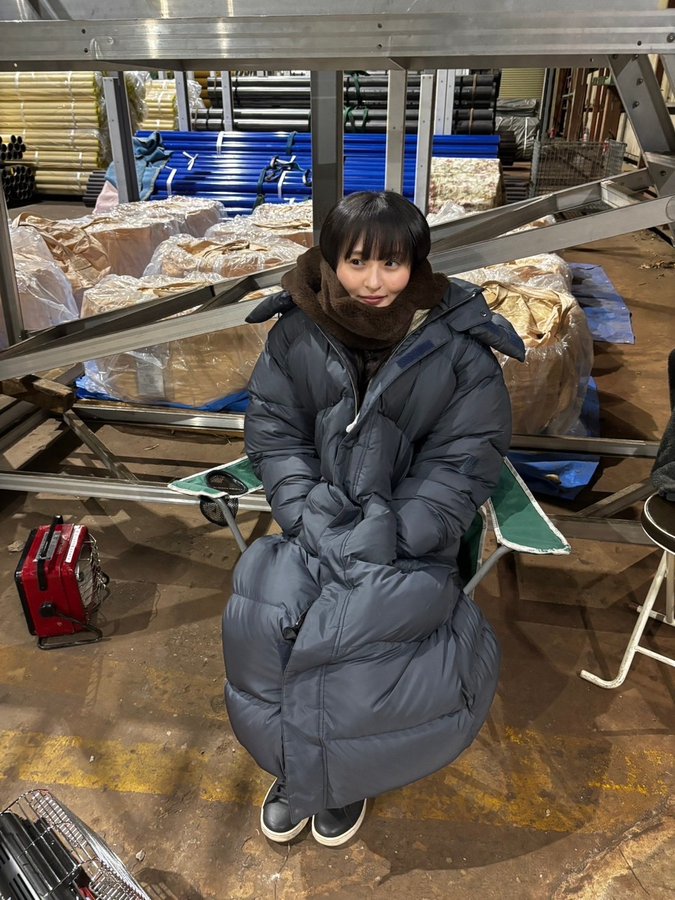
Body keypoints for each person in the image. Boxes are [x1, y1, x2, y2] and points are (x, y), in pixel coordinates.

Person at [222, 190, 524, 847]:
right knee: (263, 619)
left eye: (392, 263)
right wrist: (304, 513)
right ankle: (299, 770)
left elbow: (464, 458)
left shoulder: (459, 349)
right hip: (313, 524)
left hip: (406, 539)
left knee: (364, 647)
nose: (374, 280)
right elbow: (275, 434)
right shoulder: (295, 332)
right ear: (331, 261)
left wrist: (399, 532)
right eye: (357, 261)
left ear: (417, 265)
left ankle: (340, 782)